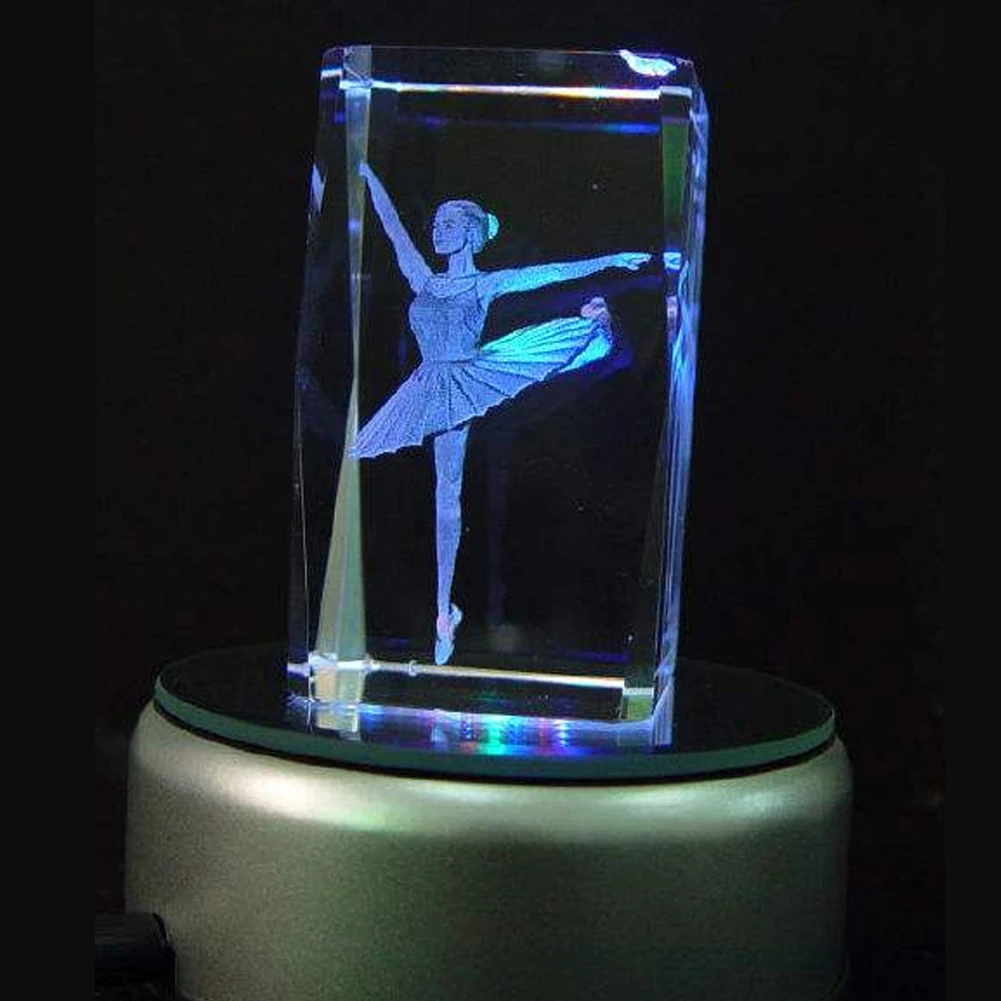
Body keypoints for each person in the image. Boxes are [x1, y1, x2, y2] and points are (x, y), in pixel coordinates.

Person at [353, 162, 650, 664]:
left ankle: (442, 614)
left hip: (466, 375)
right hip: (429, 382)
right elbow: (393, 226)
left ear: (471, 233)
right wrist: (366, 173)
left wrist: (613, 259)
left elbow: (551, 272)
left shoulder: (486, 284)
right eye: (437, 222)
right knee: (444, 490)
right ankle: (445, 608)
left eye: (449, 223)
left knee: (450, 487)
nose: (438, 230)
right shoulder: (422, 277)